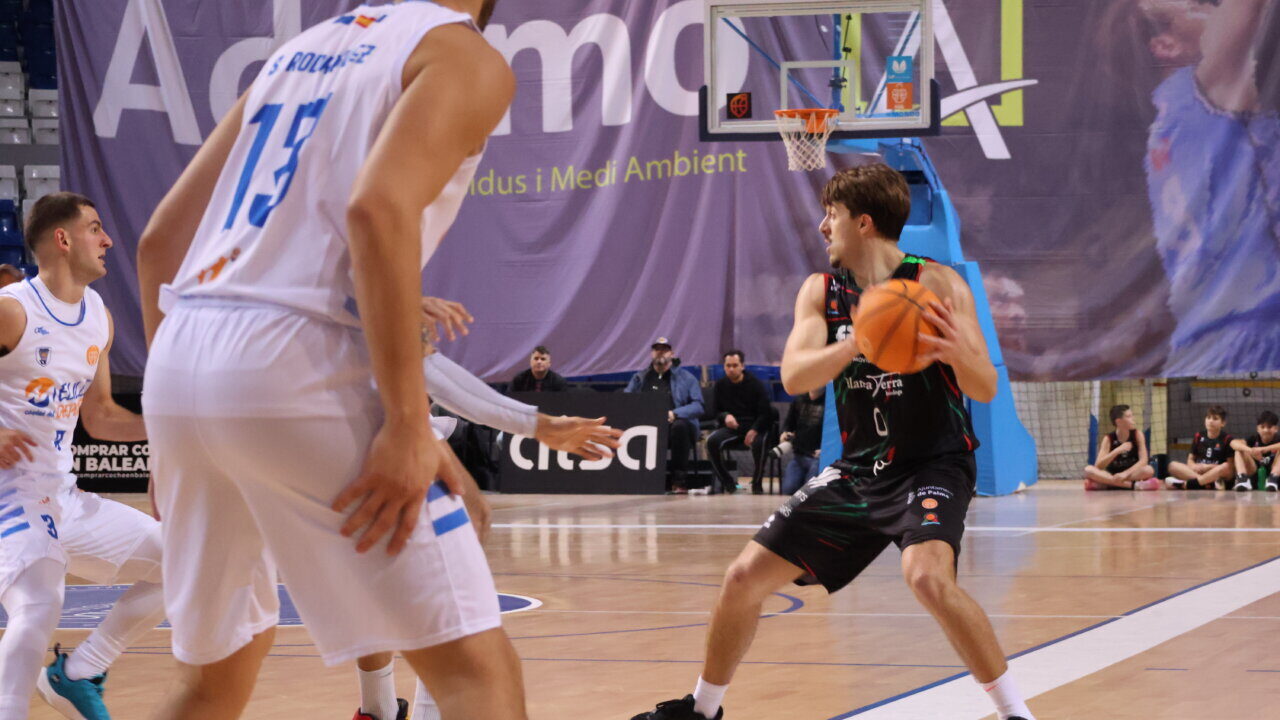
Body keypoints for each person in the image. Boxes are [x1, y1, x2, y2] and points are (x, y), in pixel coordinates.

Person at [135, 1, 524, 719]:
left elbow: (159, 241)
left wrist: (174, 437)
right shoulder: (464, 57)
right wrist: (410, 423)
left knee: (214, 683)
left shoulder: (295, 54)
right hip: (294, 361)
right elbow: (378, 209)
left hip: (182, 349)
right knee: (476, 671)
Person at [631, 163, 1035, 720]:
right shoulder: (822, 292)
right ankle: (702, 711)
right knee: (742, 578)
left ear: (863, 223)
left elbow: (984, 386)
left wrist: (951, 351)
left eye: (832, 215)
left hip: (933, 464)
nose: (823, 226)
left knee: (926, 577)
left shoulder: (937, 284)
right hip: (861, 469)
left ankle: (1018, 714)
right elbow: (796, 376)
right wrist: (858, 342)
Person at [353, 308, 621, 720]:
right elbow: (431, 371)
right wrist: (540, 425)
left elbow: (425, 363)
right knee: (475, 644)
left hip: (341, 409)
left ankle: (379, 708)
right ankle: (408, 708)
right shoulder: (363, 265)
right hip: (361, 420)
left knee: (468, 517)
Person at [0, 193, 166, 720]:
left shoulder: (98, 315)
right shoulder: (12, 311)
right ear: (63, 239)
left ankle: (78, 671)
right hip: (7, 496)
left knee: (183, 561)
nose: (108, 239)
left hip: (60, 498)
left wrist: (168, 429)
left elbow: (100, 418)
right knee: (40, 605)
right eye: (95, 228)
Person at [625, 337, 703, 493]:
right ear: (651, 354)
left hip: (674, 427)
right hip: (647, 426)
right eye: (657, 349)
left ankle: (678, 481)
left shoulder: (687, 378)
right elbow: (626, 400)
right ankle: (636, 481)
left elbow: (698, 406)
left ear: (672, 354)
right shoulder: (639, 378)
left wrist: (675, 413)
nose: (660, 352)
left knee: (680, 427)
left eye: (664, 349)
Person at [705, 350, 772, 494]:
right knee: (711, 442)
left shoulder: (756, 385)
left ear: (742, 366)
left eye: (735, 365)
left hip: (755, 426)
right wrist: (725, 416)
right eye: (728, 366)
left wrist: (754, 430)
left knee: (760, 443)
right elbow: (716, 412)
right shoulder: (720, 385)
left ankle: (757, 482)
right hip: (733, 428)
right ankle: (728, 483)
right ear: (724, 367)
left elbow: (766, 413)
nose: (731, 369)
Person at [1084, 404, 1159, 490]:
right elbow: (1098, 465)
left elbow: (1143, 460)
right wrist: (1117, 450)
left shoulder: (1137, 434)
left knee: (1148, 470)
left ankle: (1108, 484)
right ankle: (1133, 485)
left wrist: (1125, 474)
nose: (1133, 419)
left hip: (1131, 473)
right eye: (1129, 416)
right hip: (1112, 474)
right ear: (1119, 421)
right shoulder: (1108, 439)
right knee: (1088, 469)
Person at [1165, 405, 1234, 490]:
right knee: (1172, 466)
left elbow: (1230, 469)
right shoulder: (1198, 436)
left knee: (1225, 467)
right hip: (1200, 472)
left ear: (1223, 423)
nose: (1211, 421)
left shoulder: (1227, 439)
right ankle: (1207, 484)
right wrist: (1194, 466)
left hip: (1215, 473)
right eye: (1208, 418)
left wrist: (1208, 467)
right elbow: (1190, 460)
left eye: (1215, 418)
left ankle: (1196, 483)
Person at [777, 388, 824, 496]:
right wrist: (785, 433)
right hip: (799, 456)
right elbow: (789, 425)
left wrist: (826, 450)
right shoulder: (799, 400)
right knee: (788, 490)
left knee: (809, 493)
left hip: (819, 458)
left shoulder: (831, 402)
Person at [1229, 410, 1280, 492]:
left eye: (1269, 427)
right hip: (1254, 473)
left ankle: (1273, 478)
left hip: (1274, 476)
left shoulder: (1277, 439)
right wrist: (1250, 450)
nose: (1266, 430)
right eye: (1262, 427)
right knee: (1239, 450)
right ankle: (1243, 479)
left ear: (1276, 429)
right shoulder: (1253, 439)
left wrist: (1264, 449)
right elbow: (1233, 443)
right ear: (1257, 429)